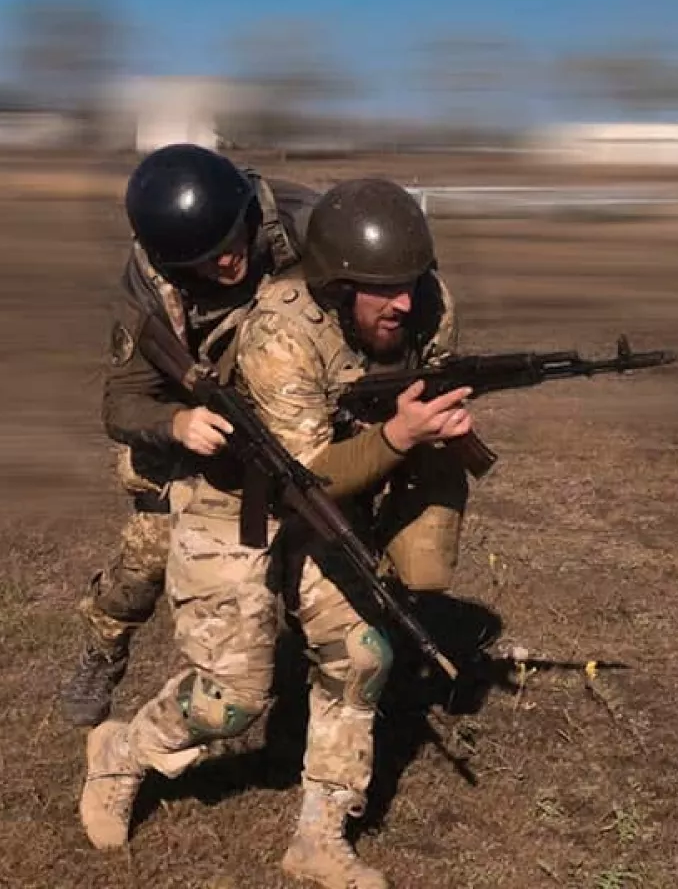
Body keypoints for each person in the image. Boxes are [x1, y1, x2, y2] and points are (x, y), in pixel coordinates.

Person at [79, 178, 473, 889]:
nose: (408, 302)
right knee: (232, 698)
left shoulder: (387, 282)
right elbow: (312, 472)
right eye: (385, 289)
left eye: (412, 283)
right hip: (230, 493)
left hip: (320, 476)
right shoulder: (274, 328)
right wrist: (174, 425)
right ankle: (123, 752)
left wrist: (426, 429)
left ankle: (319, 837)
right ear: (339, 283)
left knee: (361, 655)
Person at [58, 142, 321, 728]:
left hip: (293, 412)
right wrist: (176, 424)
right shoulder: (147, 283)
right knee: (146, 559)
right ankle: (102, 651)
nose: (228, 264)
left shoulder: (304, 223)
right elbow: (121, 402)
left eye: (232, 244)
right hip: (196, 433)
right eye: (206, 260)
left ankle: (322, 662)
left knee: (321, 535)